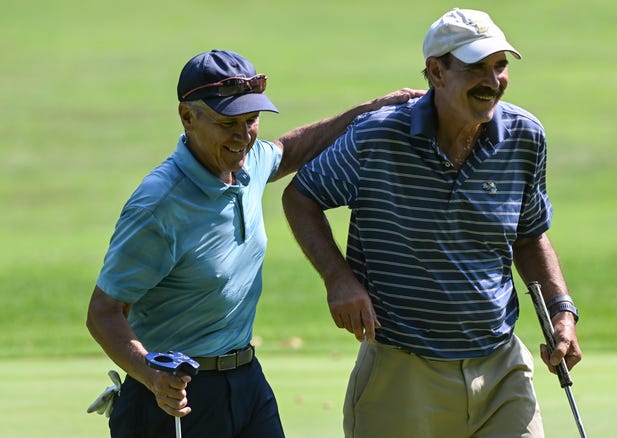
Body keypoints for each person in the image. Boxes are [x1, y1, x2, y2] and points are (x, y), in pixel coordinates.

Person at [85, 48, 422, 437]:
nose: (244, 136)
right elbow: (104, 312)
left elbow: (290, 150)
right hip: (174, 396)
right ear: (187, 117)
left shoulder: (245, 166)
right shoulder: (159, 206)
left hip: (246, 381)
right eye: (229, 122)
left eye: (252, 120)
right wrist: (151, 376)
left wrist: (369, 109)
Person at [282, 8, 583, 438]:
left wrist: (561, 312)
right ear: (435, 72)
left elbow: (529, 235)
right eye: (475, 67)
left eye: (499, 66)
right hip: (402, 371)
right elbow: (301, 196)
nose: (492, 80)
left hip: (501, 369)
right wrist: (339, 279)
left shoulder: (524, 135)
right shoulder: (378, 136)